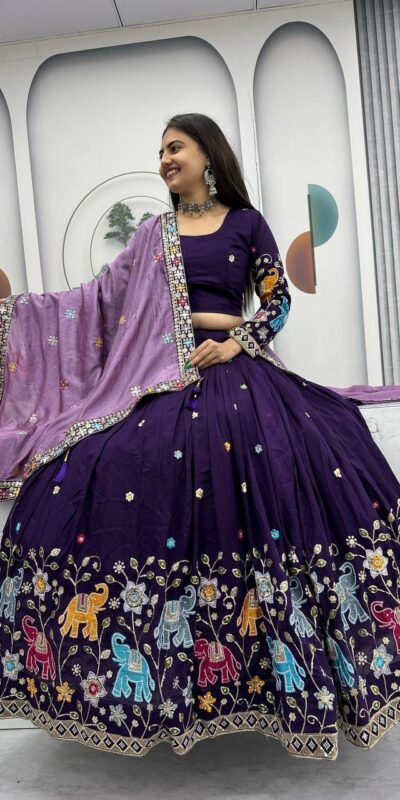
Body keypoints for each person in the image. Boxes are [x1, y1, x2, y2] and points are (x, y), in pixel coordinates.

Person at [0, 112, 400, 762]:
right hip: (162, 370)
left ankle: (288, 672)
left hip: (237, 366)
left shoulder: (246, 222)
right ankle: (155, 682)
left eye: (175, 147)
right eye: (159, 150)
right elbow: (98, 299)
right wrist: (15, 315)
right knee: (104, 458)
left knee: (307, 449)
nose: (164, 159)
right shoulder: (153, 235)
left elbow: (278, 299)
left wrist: (239, 341)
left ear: (206, 155)